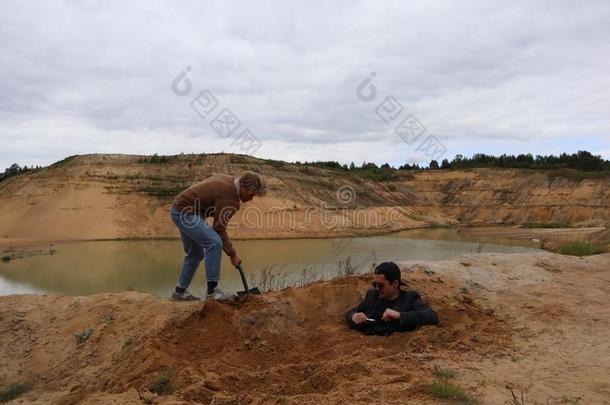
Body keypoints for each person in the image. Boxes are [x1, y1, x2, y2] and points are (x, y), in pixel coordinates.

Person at [170, 171, 266, 301]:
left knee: (196, 253)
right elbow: (219, 229)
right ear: (244, 187)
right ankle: (213, 292)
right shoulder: (230, 198)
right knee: (214, 243)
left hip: (182, 209)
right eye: (251, 194)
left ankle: (179, 292)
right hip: (185, 213)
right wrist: (232, 254)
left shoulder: (229, 180)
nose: (251, 199)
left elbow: (209, 177)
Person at [346, 262, 438, 335]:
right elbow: (350, 313)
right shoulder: (372, 295)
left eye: (381, 285)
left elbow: (432, 316)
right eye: (374, 284)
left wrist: (399, 315)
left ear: (395, 284)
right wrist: (354, 317)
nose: (377, 288)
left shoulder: (410, 298)